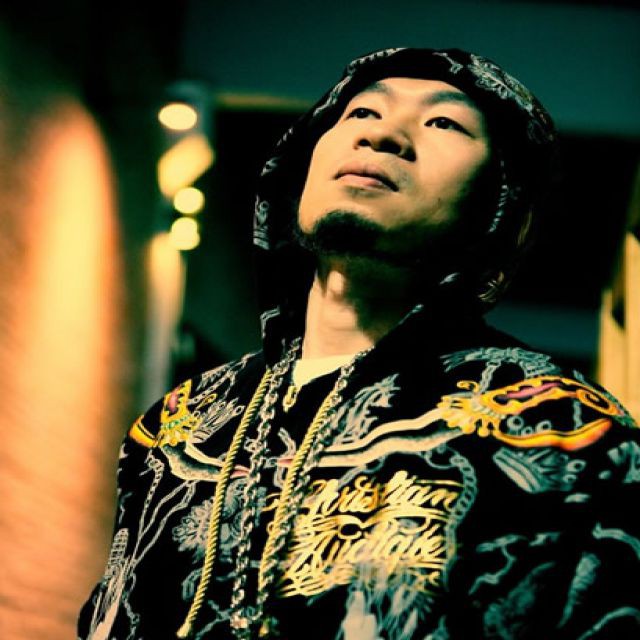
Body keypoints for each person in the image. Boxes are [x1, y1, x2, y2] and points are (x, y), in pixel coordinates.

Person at [78, 47, 640, 640]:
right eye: (362, 112)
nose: (384, 135)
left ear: (498, 201)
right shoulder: (181, 422)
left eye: (444, 122)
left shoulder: (563, 426)